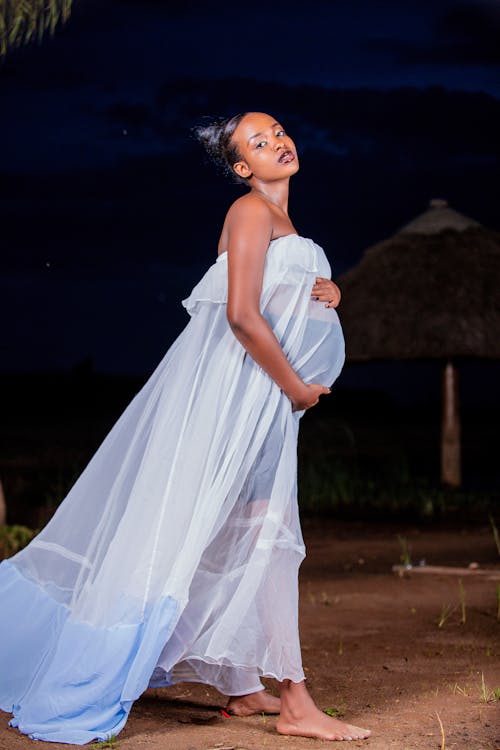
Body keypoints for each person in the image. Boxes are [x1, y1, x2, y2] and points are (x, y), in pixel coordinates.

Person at [0, 111, 370, 743]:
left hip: (255, 401)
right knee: (266, 534)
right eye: (259, 142)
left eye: (278, 131)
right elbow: (241, 316)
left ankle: (243, 688)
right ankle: (296, 701)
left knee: (234, 530)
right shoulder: (252, 211)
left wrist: (321, 286)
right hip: (248, 398)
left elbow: (256, 288)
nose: (277, 142)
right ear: (240, 167)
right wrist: (297, 388)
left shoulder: (275, 222)